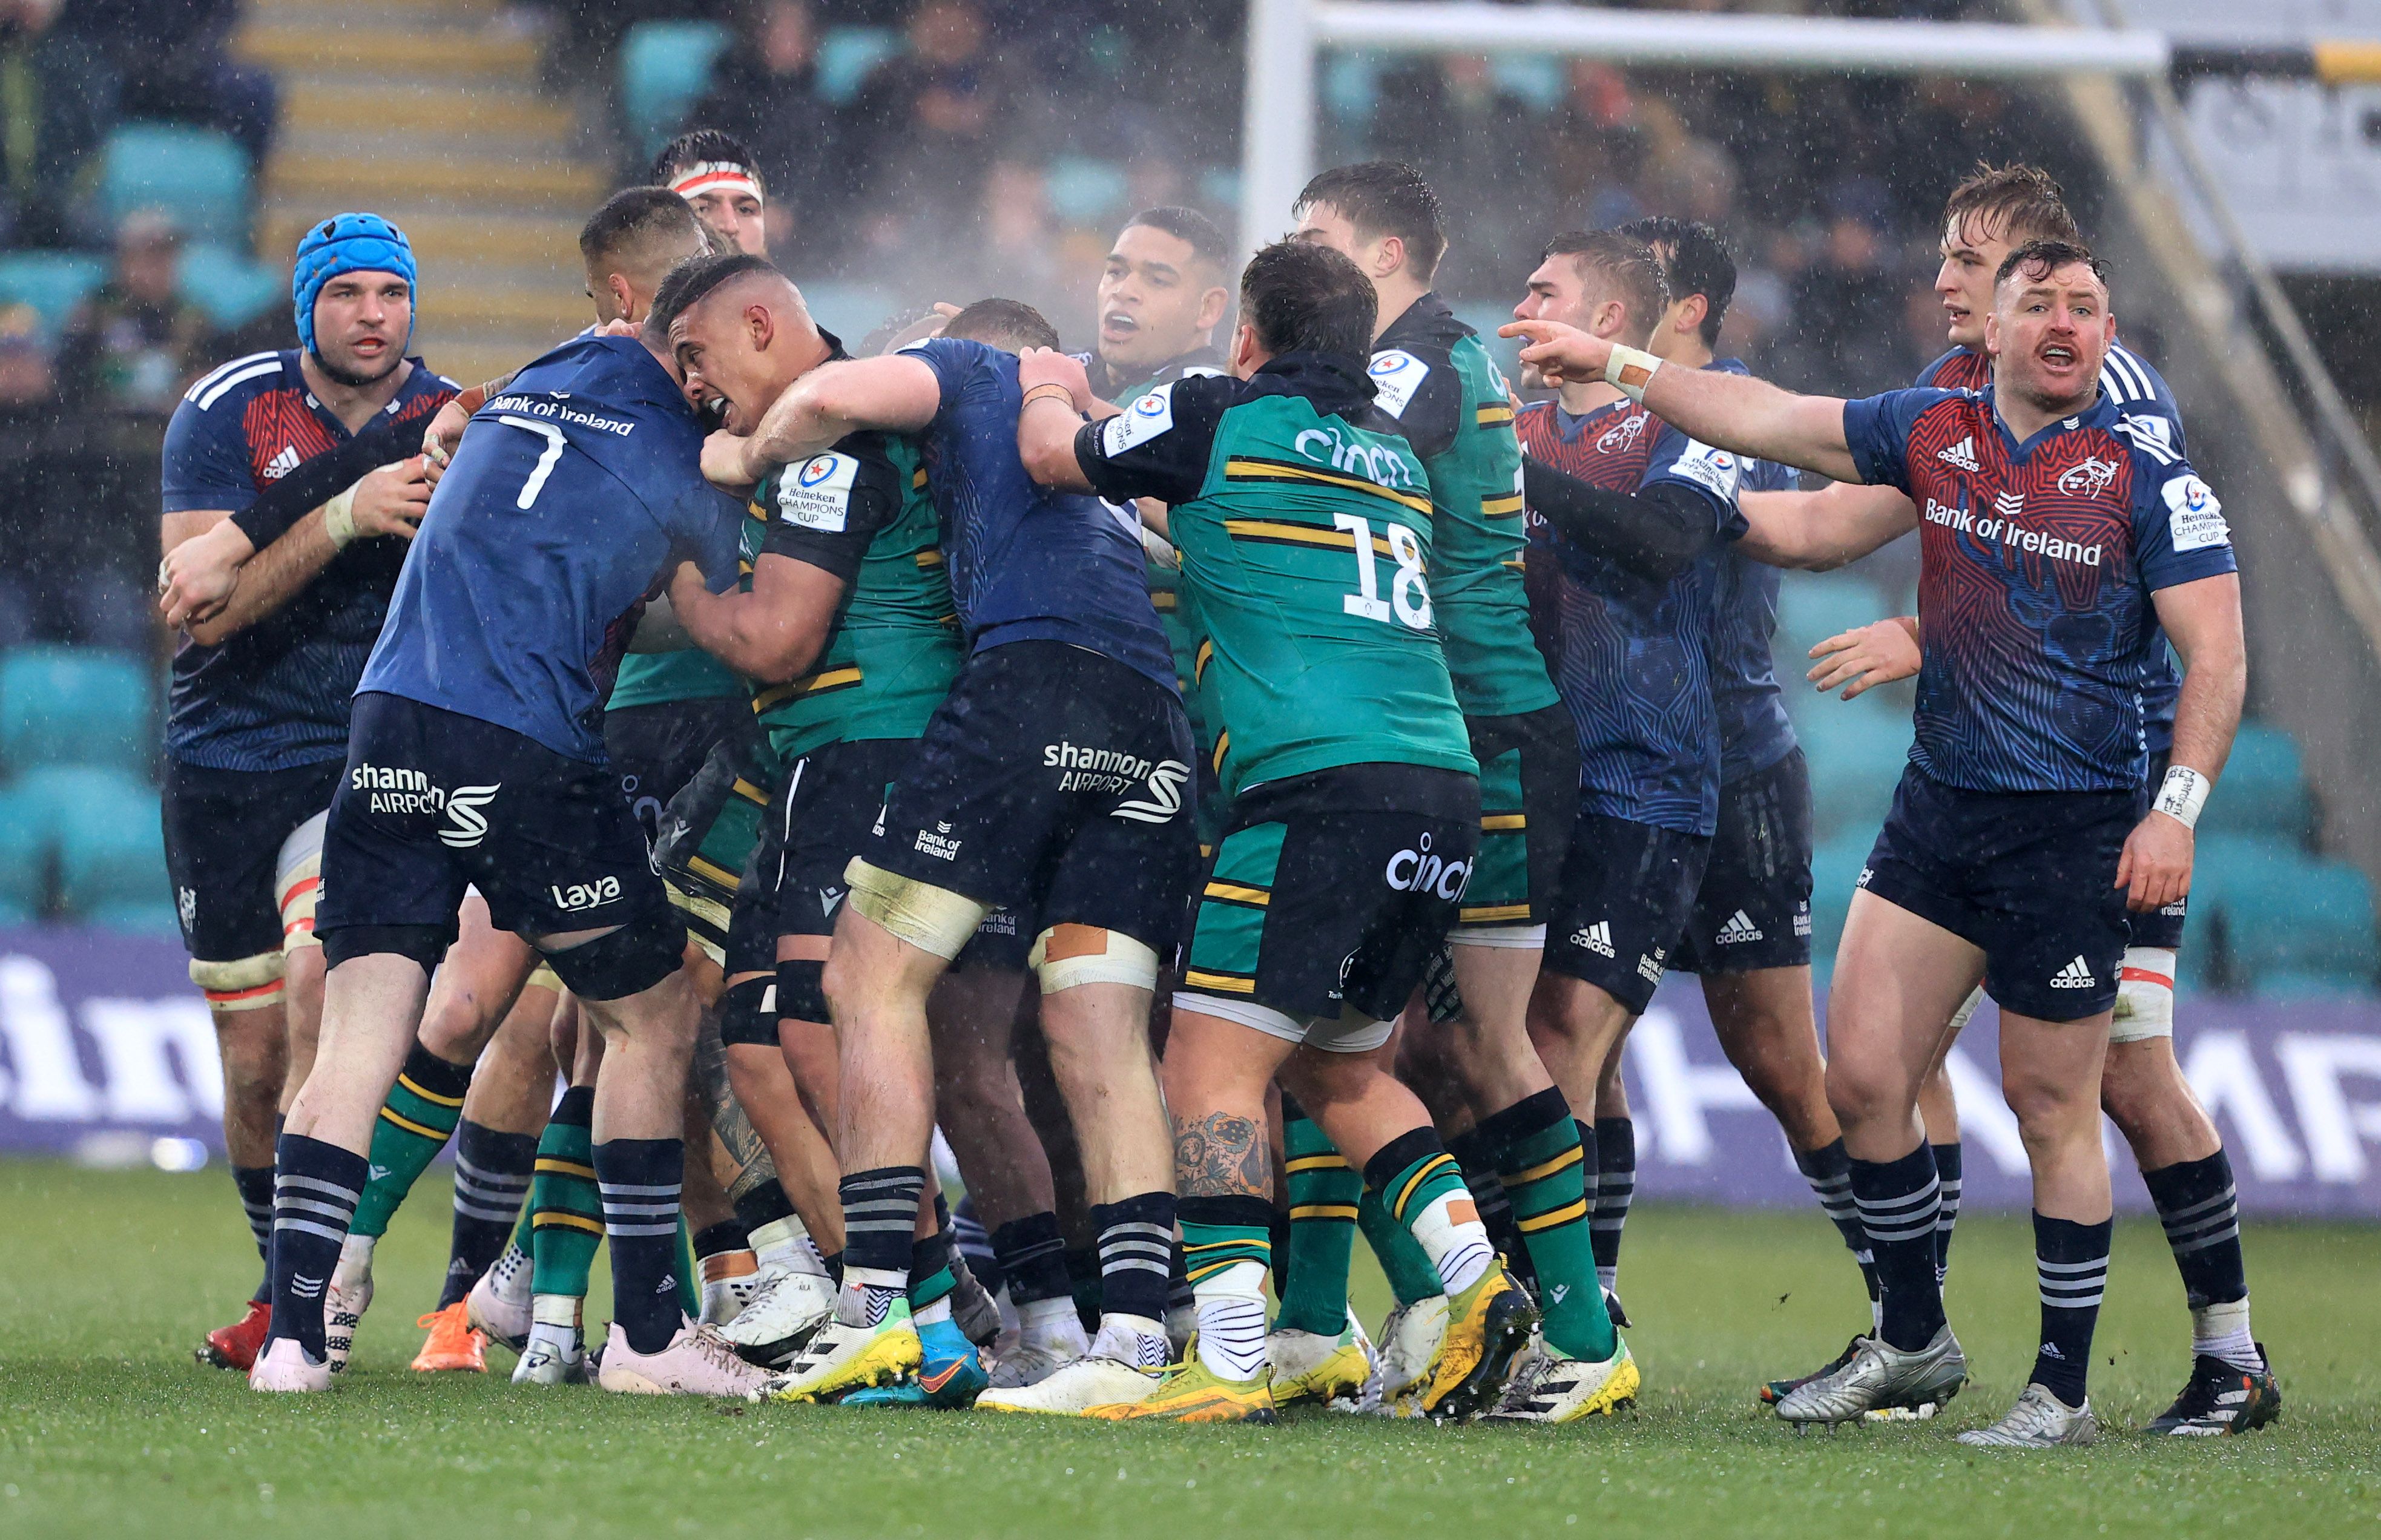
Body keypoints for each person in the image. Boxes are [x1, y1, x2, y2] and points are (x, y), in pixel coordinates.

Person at [1504, 237, 2247, 1447]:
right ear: (1990, 333)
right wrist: (1618, 364)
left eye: (2087, 307)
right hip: (1939, 811)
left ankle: (2059, 1390)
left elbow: (2213, 654)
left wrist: (2174, 808)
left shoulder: (2146, 473)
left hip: (2072, 824)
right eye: (2039, 305)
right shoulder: (1930, 427)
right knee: (1858, 1080)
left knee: (2051, 1101)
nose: (2064, 324)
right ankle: (1911, 1338)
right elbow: (1766, 416)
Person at [1014, 238, 1549, 1424]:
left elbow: (1054, 459)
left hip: (1313, 790)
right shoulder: (1391, 454)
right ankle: (1473, 1281)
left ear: (1244, 337)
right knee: (1340, 1065)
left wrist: (1045, 379)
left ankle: (1230, 1358)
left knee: (1206, 1067)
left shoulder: (1215, 410)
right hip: (1437, 784)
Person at [1787, 165, 2281, 1435]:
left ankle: (2225, 1355)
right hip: (1987, 791)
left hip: (2104, 794)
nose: (1942, 278)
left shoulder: (2107, 393)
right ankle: (1912, 1339)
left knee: (2121, 1077)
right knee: (1913, 1065)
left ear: (2027, 263)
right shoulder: (1960, 389)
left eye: (1965, 255)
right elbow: (1863, 521)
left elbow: (2096, 582)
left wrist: (1921, 628)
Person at [247, 302, 772, 1401]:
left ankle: (297, 1333)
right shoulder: (679, 436)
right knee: (646, 1010)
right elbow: (744, 617)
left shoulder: (536, 381)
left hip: (391, 719)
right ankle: (643, 1331)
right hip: (537, 739)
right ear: (669, 328)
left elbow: (466, 416)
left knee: (363, 1035)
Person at [693, 281, 1196, 1410]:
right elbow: (1184, 560)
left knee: (866, 981)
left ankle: (876, 1308)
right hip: (1149, 713)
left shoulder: (968, 372)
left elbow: (824, 391)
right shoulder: (1101, 453)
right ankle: (1130, 1342)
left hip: (1030, 686)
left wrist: (741, 463)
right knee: (1095, 1023)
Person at [1289, 162, 1628, 1423]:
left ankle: (1577, 1338)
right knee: (1334, 1033)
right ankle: (1328, 1322)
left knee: (1482, 1044)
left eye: (1313, 243)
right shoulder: (1413, 359)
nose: (1299, 262)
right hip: (1425, 725)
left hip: (1478, 732)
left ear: (1381, 256)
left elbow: (1337, 461)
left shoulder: (1417, 360)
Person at [650, 252, 1006, 1404]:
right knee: (756, 1045)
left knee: (815, 1037)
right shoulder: (802, 443)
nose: (695, 387)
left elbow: (774, 642)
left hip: (871, 753)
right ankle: (926, 1311)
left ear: (762, 323)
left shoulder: (831, 450)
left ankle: (928, 1315)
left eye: (698, 357)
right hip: (820, 765)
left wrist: (675, 582)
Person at [153, 212, 452, 1375]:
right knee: (254, 1064)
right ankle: (280, 1277)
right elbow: (204, 610)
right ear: (305, 309)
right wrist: (344, 515)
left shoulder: (451, 419)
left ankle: (308, 1301)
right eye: (348, 296)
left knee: (323, 980)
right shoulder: (225, 411)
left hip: (363, 753)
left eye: (391, 293)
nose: (373, 316)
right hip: (226, 758)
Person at [1604, 213, 1893, 1382]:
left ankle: (1899, 1303)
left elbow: (1674, 542)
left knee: (1773, 1055)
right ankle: (1592, 1299)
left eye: (1638, 285)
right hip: (1612, 759)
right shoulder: (1583, 415)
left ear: (1687, 310)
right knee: (1576, 1027)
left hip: (1729, 763)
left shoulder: (1720, 410)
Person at [1504, 229, 1747, 1333]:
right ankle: (1583, 1291)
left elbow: (1661, 541)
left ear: (1605, 321)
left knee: (1561, 1040)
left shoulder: (1690, 422)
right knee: (1555, 1061)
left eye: (1544, 290)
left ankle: (1545, 1314)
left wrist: (1515, 480)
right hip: (1524, 776)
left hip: (1645, 781)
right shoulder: (1509, 429)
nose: (1521, 305)